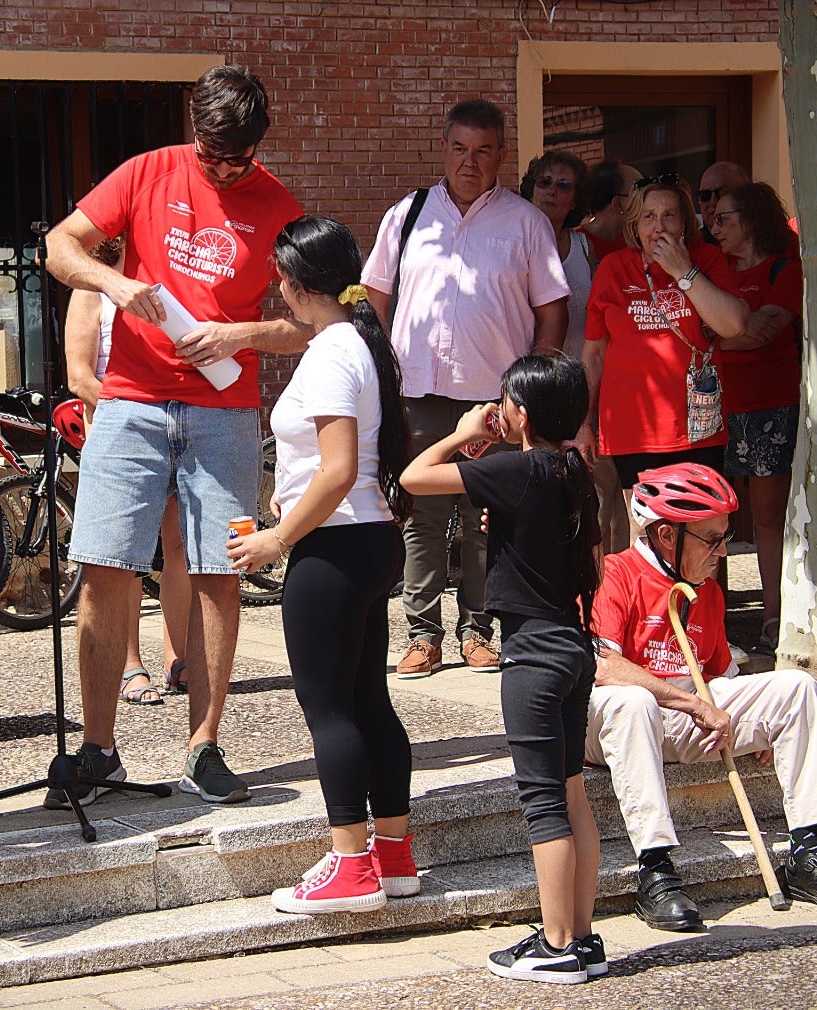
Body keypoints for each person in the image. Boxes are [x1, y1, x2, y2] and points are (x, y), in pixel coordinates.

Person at [42, 65, 304, 805]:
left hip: (225, 413)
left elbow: (311, 322)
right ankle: (98, 749)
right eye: (211, 154)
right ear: (194, 130)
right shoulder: (147, 172)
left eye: (237, 159)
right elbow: (59, 246)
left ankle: (204, 746)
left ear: (258, 144)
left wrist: (238, 334)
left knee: (221, 574)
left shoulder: (279, 205)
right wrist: (115, 284)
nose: (221, 170)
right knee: (104, 566)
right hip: (129, 403)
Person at [588, 464, 817, 930]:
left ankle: (809, 851)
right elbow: (604, 668)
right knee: (632, 702)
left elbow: (723, 676)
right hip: (614, 724)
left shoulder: (708, 592)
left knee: (795, 687)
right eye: (712, 539)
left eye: (725, 537)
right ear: (666, 535)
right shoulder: (615, 574)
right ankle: (655, 869)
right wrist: (695, 705)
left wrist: (761, 723)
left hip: (686, 721)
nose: (723, 551)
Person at [228, 217, 417, 915]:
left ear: (295, 283)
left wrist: (276, 541)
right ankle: (391, 855)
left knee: (330, 708)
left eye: (279, 276)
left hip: (334, 546)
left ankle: (352, 866)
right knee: (368, 701)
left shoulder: (333, 352)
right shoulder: (353, 342)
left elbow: (337, 470)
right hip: (365, 539)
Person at [401, 354, 605, 984]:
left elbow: (414, 477)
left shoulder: (519, 468)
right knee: (572, 792)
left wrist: (462, 435)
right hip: (571, 644)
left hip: (533, 654)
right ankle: (583, 936)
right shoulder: (574, 469)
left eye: (508, 400)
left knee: (543, 803)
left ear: (524, 413)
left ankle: (556, 944)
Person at [361, 98, 569, 679]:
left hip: (496, 401)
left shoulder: (526, 223)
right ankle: (422, 635)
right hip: (420, 395)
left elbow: (553, 311)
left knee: (487, 520)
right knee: (420, 516)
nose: (469, 162)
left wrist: (532, 391)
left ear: (502, 155)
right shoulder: (407, 215)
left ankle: (479, 630)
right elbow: (375, 299)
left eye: (482, 151)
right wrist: (384, 372)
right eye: (459, 148)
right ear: (443, 148)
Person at [62, 236, 188, 706]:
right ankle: (131, 665)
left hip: (179, 434)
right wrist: (136, 412)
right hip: (122, 440)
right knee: (124, 559)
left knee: (180, 547)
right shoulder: (91, 289)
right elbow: (79, 376)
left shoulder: (167, 279)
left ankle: (178, 657)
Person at [580, 177, 748, 494]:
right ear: (635, 226)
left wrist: (684, 271)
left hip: (697, 428)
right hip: (632, 430)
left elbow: (735, 324)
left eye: (669, 215)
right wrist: (584, 423)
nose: (659, 227)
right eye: (649, 216)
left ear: (684, 222)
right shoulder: (613, 268)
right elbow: (594, 354)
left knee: (699, 522)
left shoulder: (706, 259)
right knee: (647, 523)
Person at [709, 182, 803, 655]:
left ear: (751, 219)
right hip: (715, 408)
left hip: (770, 403)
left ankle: (774, 618)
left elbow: (765, 331)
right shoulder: (714, 270)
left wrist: (711, 335)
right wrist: (733, 330)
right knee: (711, 515)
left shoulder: (784, 268)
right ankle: (710, 623)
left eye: (723, 217)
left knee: (768, 516)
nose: (714, 226)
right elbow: (746, 329)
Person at [575, 160, 642, 556]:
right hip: (591, 392)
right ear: (620, 203)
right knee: (599, 503)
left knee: (629, 508)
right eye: (639, 193)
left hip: (630, 400)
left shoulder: (641, 251)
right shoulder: (581, 246)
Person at [520, 150, 592, 359]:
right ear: (532, 190)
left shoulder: (584, 245)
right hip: (526, 370)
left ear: (575, 200)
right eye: (544, 182)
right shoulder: (514, 243)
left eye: (563, 186)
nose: (551, 191)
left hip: (575, 369)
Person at [696, 161, 749, 244]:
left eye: (722, 194)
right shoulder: (693, 245)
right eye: (705, 195)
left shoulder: (763, 243)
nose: (713, 202)